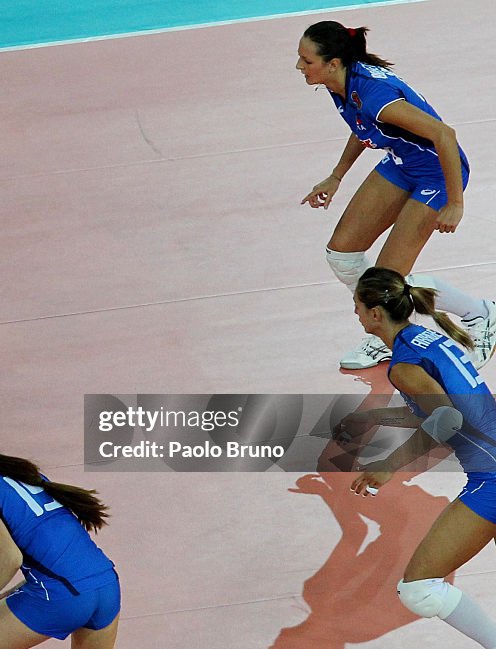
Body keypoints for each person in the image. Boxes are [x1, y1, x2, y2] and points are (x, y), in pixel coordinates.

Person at [296, 20, 496, 370]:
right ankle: (387, 316)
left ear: (333, 62)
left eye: (306, 60)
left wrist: (455, 203)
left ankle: (480, 313)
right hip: (402, 162)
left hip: (435, 171)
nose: (299, 66)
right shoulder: (339, 84)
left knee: (388, 281)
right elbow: (363, 128)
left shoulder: (377, 95)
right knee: (342, 254)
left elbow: (444, 135)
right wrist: (336, 175)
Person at [343, 266, 496, 647]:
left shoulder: (404, 365)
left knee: (420, 589)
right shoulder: (425, 338)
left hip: (492, 477)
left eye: (358, 306)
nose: (356, 315)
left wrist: (386, 468)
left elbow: (447, 418)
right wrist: (381, 418)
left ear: (376, 313)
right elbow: (445, 404)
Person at [0, 410, 119, 649]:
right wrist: (8, 596)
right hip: (106, 586)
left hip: (61, 597)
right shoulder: (26, 473)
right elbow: (57, 552)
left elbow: (9, 558)